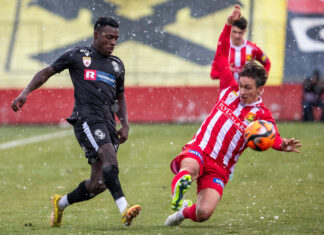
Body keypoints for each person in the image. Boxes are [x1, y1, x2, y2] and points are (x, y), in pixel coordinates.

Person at [165, 5, 301, 226]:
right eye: (241, 86)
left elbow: (269, 136)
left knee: (204, 213)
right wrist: (227, 25)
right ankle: (179, 192)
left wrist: (281, 144)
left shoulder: (262, 115)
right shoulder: (229, 88)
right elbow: (220, 55)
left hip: (222, 167)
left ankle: (182, 212)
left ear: (260, 89)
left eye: (248, 88)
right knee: (189, 169)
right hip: (200, 148)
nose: (243, 92)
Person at [11, 17, 141, 227]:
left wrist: (124, 123)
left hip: (108, 122)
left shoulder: (117, 65)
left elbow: (120, 96)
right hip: (87, 119)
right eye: (109, 37)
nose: (113, 42)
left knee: (98, 183)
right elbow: (47, 72)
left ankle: (60, 203)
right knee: (110, 159)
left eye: (116, 38)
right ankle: (124, 209)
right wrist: (26, 92)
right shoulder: (78, 55)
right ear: (96, 35)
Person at [210, 15, 271, 82]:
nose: (237, 36)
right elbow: (213, 74)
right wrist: (226, 72)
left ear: (245, 31)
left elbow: (267, 63)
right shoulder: (223, 49)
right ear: (230, 30)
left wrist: (260, 80)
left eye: (240, 32)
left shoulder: (253, 49)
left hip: (247, 91)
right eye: (234, 32)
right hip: (230, 91)